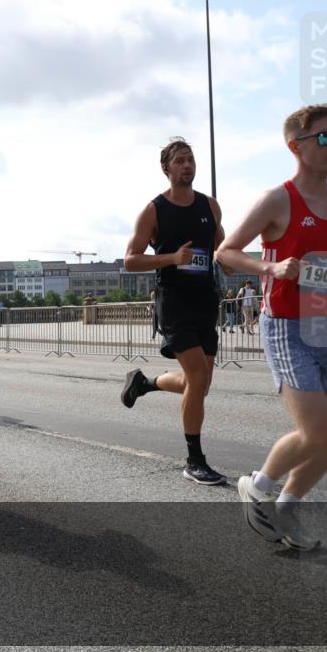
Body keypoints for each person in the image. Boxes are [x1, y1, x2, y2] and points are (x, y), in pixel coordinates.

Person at [216, 103, 327, 550]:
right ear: (296, 146)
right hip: (286, 326)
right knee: (318, 431)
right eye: (325, 137)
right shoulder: (278, 200)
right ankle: (257, 488)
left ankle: (287, 507)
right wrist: (271, 267)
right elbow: (226, 252)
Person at [120, 137, 228, 485]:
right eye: (180, 160)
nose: (187, 165)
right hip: (174, 301)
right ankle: (195, 460)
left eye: (191, 159)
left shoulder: (210, 207)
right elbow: (130, 260)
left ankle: (143, 383)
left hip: (205, 300)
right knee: (197, 379)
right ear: (166, 168)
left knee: (200, 384)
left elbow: (221, 247)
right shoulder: (154, 210)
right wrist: (171, 258)